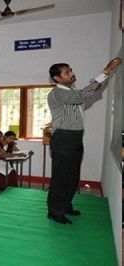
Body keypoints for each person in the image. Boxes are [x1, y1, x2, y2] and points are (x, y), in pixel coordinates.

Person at [46, 58, 121, 224]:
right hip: (64, 138)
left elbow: (82, 95)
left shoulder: (70, 91)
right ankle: (54, 211)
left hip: (75, 137)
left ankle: (65, 205)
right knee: (61, 177)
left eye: (71, 70)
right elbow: (82, 95)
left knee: (72, 175)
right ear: (57, 78)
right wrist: (106, 71)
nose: (72, 74)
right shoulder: (58, 92)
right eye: (67, 72)